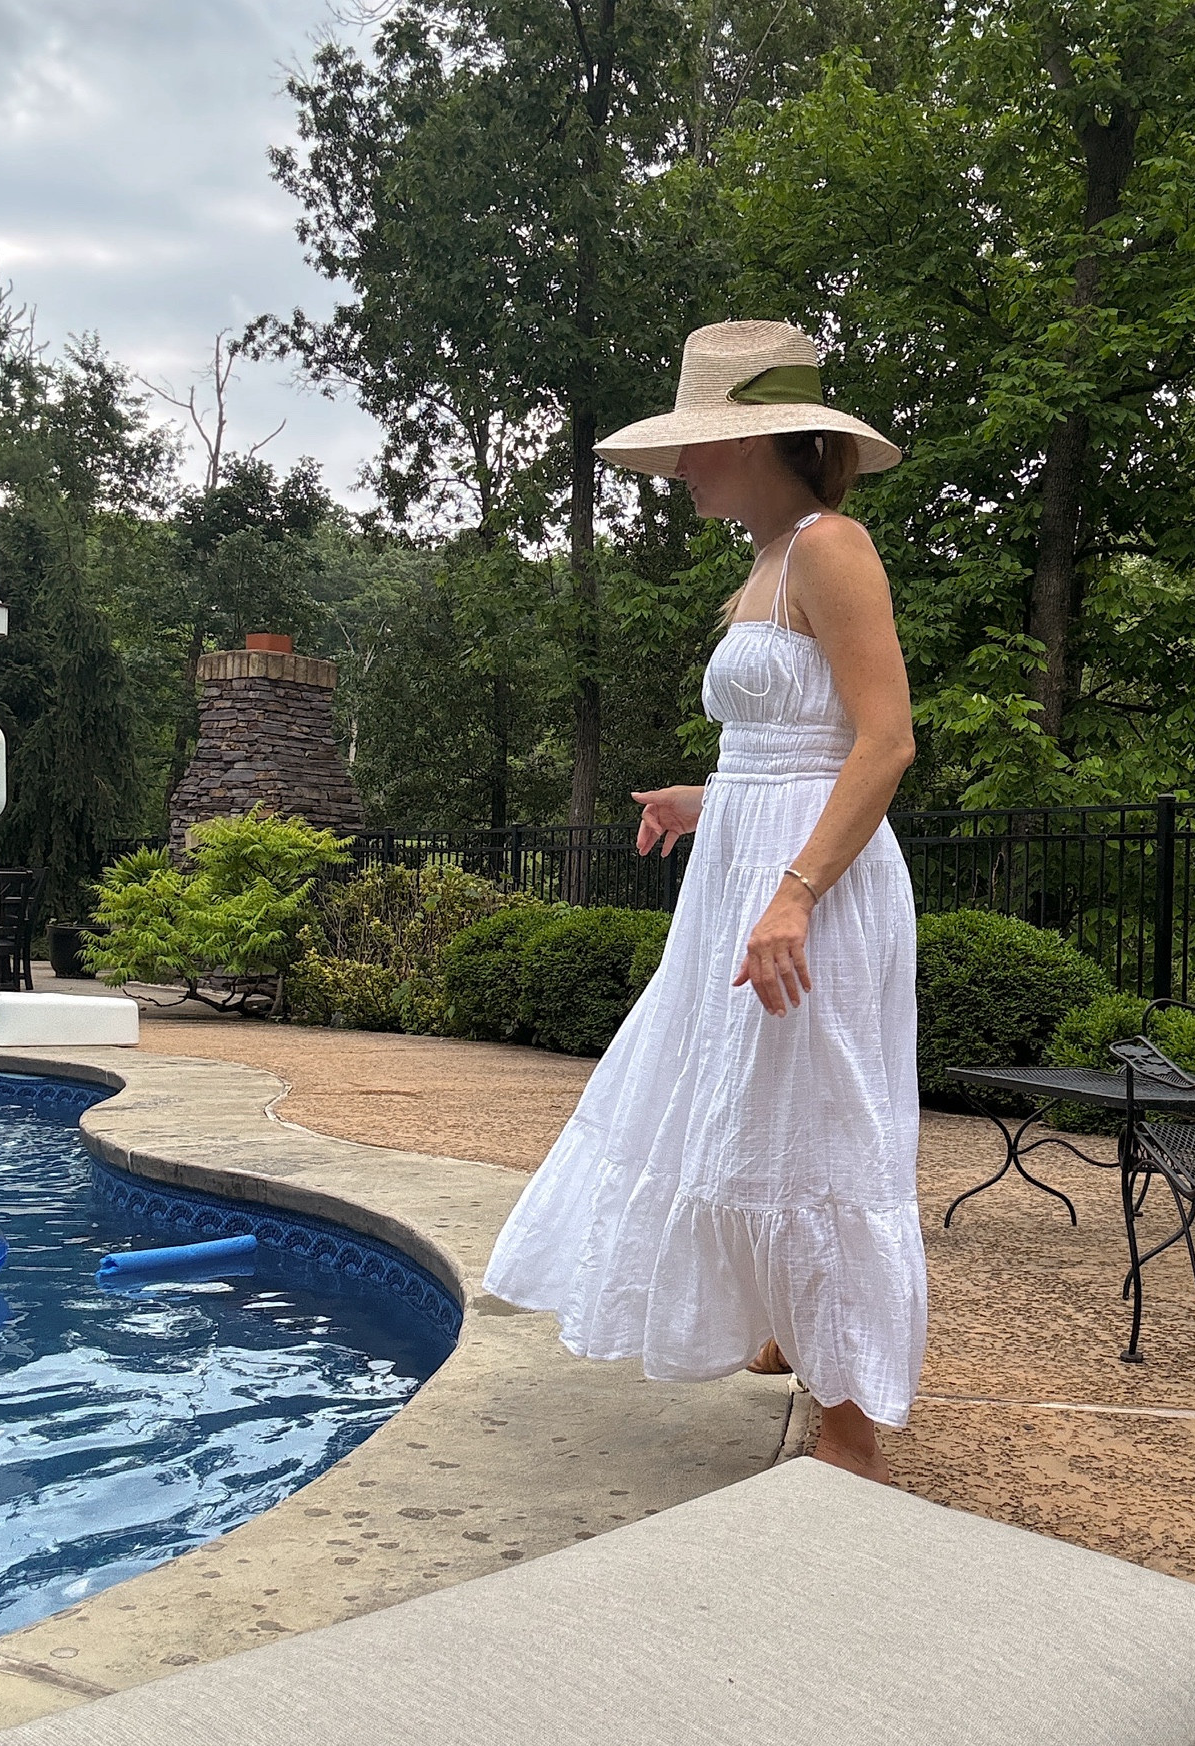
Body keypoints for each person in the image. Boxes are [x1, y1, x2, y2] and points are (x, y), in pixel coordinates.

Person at [482, 319, 925, 1483]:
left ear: (757, 441)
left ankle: (851, 1423)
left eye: (697, 443)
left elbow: (884, 744)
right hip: (755, 864)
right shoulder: (768, 557)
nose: (679, 467)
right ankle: (787, 1320)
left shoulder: (833, 546)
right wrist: (704, 800)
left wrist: (793, 892)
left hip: (812, 883)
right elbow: (793, 742)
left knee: (819, 1118)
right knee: (739, 1102)